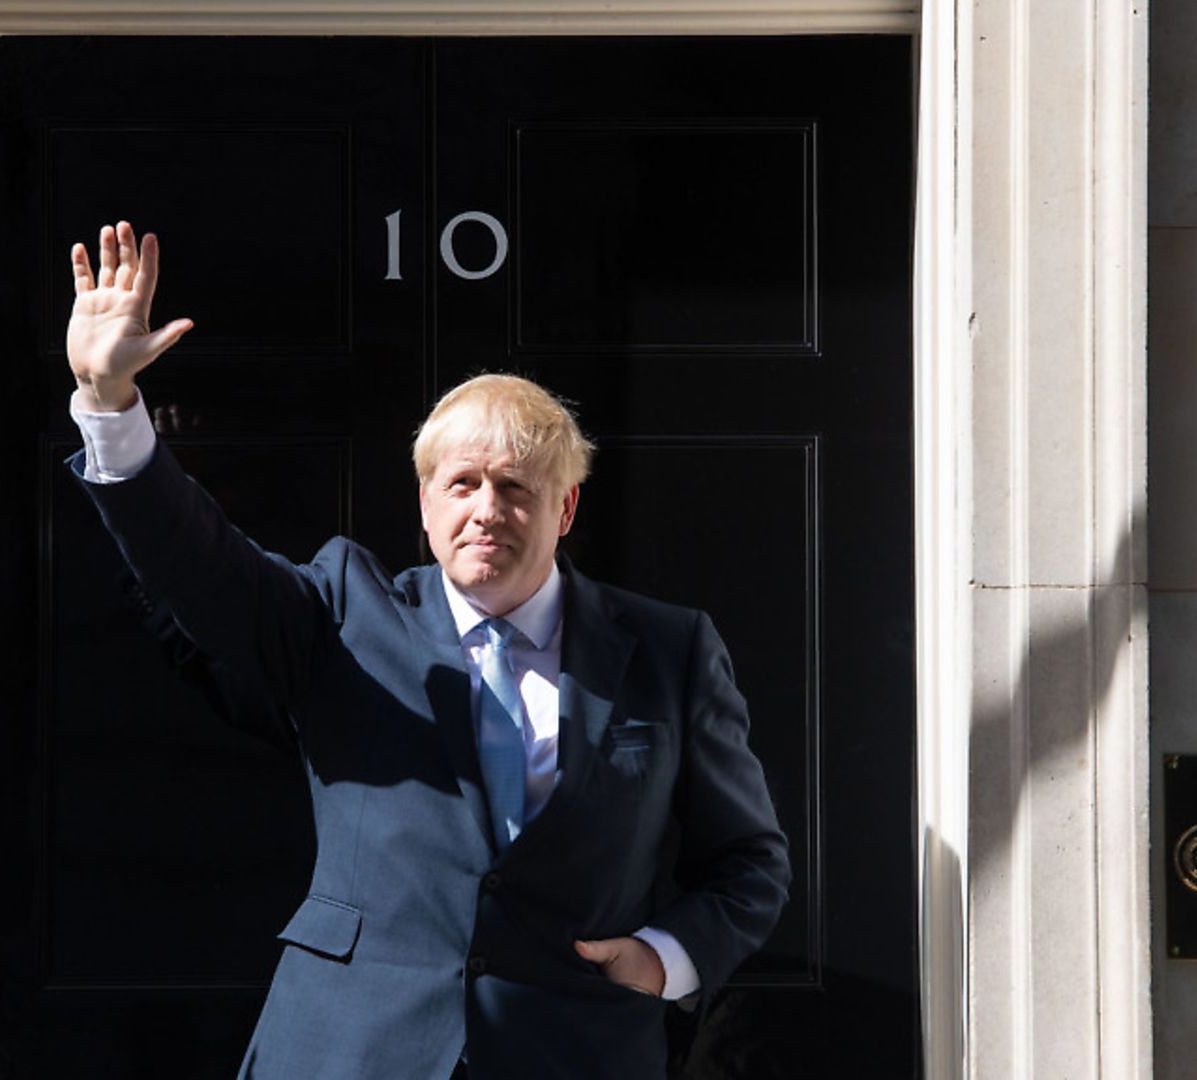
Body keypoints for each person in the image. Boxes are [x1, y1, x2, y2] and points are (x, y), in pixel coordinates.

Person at [63, 220, 790, 1080]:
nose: (487, 509)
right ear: (425, 504)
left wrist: (662, 958)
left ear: (565, 510)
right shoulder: (343, 609)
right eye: (463, 484)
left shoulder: (669, 651)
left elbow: (750, 863)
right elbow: (201, 569)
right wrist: (111, 406)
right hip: (350, 1046)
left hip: (573, 1049)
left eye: (517, 488)